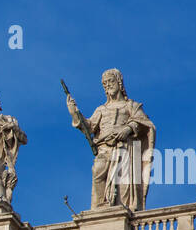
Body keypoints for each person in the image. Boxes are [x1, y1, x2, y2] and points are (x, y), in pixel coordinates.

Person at [67, 69, 156, 211]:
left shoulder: (131, 106)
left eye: (110, 81)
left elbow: (143, 122)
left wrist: (127, 129)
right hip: (104, 148)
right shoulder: (101, 109)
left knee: (124, 184)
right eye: (105, 83)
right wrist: (74, 113)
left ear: (119, 83)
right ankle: (98, 209)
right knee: (97, 171)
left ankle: (120, 209)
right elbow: (88, 126)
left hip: (124, 148)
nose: (108, 85)